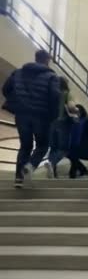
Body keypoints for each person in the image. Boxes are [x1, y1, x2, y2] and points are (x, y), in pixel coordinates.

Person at [2, 50, 61, 188]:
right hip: (41, 115)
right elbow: (55, 97)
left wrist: (16, 102)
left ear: (35, 58)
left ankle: (18, 178)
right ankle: (31, 165)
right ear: (47, 60)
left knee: (25, 146)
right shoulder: (51, 76)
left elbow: (5, 89)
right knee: (42, 145)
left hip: (22, 115)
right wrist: (53, 115)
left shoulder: (18, 73)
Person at [45, 76, 78, 178]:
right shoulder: (67, 94)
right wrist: (76, 110)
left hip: (51, 123)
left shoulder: (51, 95)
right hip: (63, 123)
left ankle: (52, 172)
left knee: (53, 148)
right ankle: (52, 163)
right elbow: (72, 107)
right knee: (63, 149)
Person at [67, 104, 88, 178]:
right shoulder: (72, 120)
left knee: (74, 157)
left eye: (78, 111)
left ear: (82, 111)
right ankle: (82, 169)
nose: (76, 113)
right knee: (71, 156)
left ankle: (73, 174)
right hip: (72, 143)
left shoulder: (86, 120)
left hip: (82, 143)